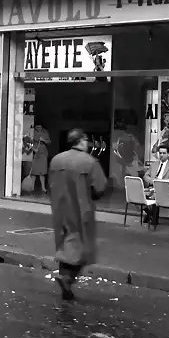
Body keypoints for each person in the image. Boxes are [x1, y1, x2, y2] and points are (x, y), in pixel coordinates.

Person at [48, 128, 107, 301]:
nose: (88, 143)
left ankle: (64, 276)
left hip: (60, 206)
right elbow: (100, 188)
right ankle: (67, 278)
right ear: (81, 141)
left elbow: (49, 184)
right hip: (81, 208)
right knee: (81, 244)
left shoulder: (56, 160)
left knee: (65, 240)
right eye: (86, 140)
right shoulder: (89, 162)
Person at [141, 143, 169, 223]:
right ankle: (149, 212)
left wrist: (160, 182)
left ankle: (152, 216)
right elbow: (146, 176)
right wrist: (152, 181)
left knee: (154, 194)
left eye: (164, 153)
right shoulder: (154, 164)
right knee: (140, 193)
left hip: (164, 189)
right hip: (152, 186)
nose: (161, 155)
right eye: (160, 153)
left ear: (168, 154)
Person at [29, 124, 51, 193]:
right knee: (34, 172)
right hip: (35, 153)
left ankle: (43, 188)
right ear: (35, 127)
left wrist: (43, 140)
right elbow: (28, 142)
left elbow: (49, 142)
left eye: (40, 127)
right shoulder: (32, 132)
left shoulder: (45, 132)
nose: (39, 128)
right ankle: (32, 187)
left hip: (43, 153)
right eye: (37, 127)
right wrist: (33, 148)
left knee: (42, 172)